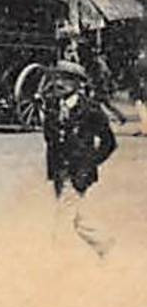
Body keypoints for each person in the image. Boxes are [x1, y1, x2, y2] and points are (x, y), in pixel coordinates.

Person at [42, 61, 117, 259]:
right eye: (57, 78)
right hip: (59, 172)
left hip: (79, 173)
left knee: (63, 220)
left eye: (66, 79)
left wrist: (90, 164)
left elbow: (109, 143)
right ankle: (105, 244)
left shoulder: (90, 109)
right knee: (78, 218)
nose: (59, 83)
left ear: (77, 83)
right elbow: (49, 138)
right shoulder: (52, 106)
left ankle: (56, 262)